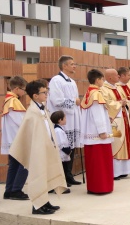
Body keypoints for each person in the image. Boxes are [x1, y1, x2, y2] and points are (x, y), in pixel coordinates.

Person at [9, 80, 65, 215]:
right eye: (44, 92)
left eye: (47, 91)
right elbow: (28, 134)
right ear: (35, 96)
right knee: (38, 175)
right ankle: (37, 206)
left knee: (46, 174)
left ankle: (45, 202)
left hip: (46, 147)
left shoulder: (42, 108)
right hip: (37, 150)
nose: (47, 94)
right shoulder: (33, 112)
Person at [47, 55, 81, 186]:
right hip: (61, 119)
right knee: (63, 148)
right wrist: (74, 101)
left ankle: (69, 175)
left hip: (72, 119)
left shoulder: (72, 81)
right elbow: (56, 100)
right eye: (72, 64)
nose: (74, 66)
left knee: (71, 147)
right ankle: (60, 178)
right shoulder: (56, 80)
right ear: (64, 66)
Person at [80, 69, 115, 194]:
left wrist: (107, 117)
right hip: (98, 135)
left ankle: (93, 186)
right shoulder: (96, 94)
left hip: (90, 132)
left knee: (93, 162)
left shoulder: (88, 93)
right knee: (100, 162)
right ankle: (101, 187)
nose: (103, 81)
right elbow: (97, 114)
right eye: (103, 79)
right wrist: (102, 131)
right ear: (97, 80)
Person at [101, 68, 130, 180]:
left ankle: (123, 170)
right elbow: (107, 104)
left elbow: (124, 100)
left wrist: (126, 102)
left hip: (123, 117)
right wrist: (120, 103)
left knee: (124, 142)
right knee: (116, 144)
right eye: (116, 75)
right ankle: (115, 172)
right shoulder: (104, 89)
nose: (118, 77)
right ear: (110, 77)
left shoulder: (117, 88)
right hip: (114, 120)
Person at [1, 76, 29, 201]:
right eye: (23, 90)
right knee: (24, 163)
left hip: (11, 138)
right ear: (17, 88)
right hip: (17, 137)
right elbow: (21, 122)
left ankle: (9, 190)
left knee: (14, 165)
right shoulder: (14, 101)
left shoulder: (8, 100)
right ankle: (16, 190)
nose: (24, 93)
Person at [51, 111, 72, 193]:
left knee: (64, 170)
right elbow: (60, 143)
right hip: (61, 154)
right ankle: (60, 187)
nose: (66, 120)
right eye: (65, 118)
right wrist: (68, 151)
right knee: (61, 171)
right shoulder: (58, 131)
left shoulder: (59, 129)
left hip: (63, 154)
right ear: (60, 120)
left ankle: (63, 185)